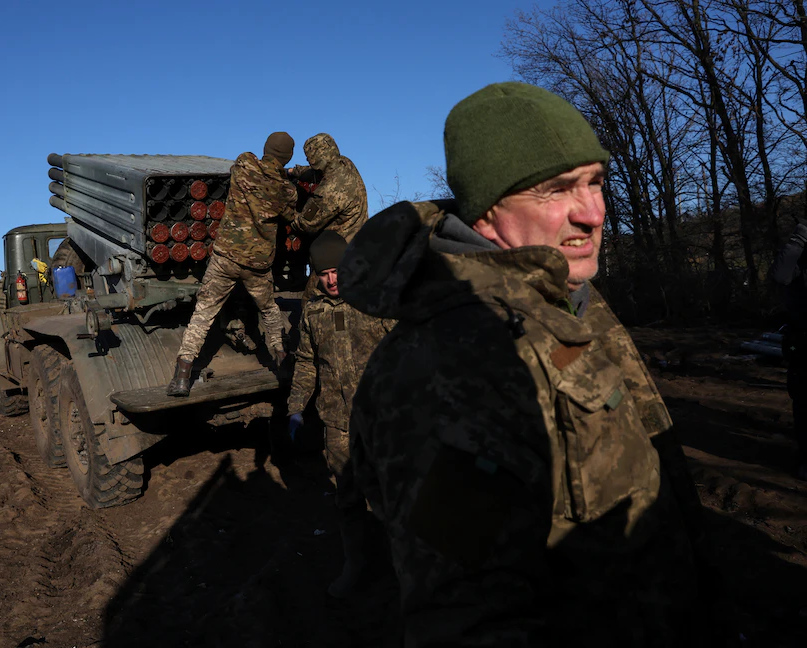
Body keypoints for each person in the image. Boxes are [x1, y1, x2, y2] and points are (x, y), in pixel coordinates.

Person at [339, 83, 704, 645]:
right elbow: (468, 615)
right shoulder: (452, 363)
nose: (594, 213)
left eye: (595, 182)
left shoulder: (568, 293)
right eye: (556, 189)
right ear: (487, 210)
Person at [286, 230, 394, 598]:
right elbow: (307, 362)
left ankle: (405, 568)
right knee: (347, 498)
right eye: (324, 274)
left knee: (391, 496)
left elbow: (406, 348)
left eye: (337, 270)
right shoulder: (313, 313)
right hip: (338, 424)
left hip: (381, 420)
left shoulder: (374, 300)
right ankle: (355, 565)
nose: (332, 280)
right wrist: (296, 407)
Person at [168, 132, 297, 397]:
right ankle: (283, 364)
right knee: (269, 311)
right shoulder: (287, 190)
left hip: (226, 258)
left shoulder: (245, 163)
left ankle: (181, 377)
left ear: (266, 148)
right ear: (288, 158)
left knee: (204, 313)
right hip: (258, 265)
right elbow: (289, 212)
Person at [770, 218, 807, 479]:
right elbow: (779, 275)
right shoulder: (798, 258)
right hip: (803, 344)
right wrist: (799, 238)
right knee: (804, 405)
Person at [289, 133, 368, 242]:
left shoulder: (328, 192)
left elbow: (304, 224)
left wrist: (284, 210)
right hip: (359, 235)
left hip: (341, 245)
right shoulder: (344, 163)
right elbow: (314, 172)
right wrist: (292, 171)